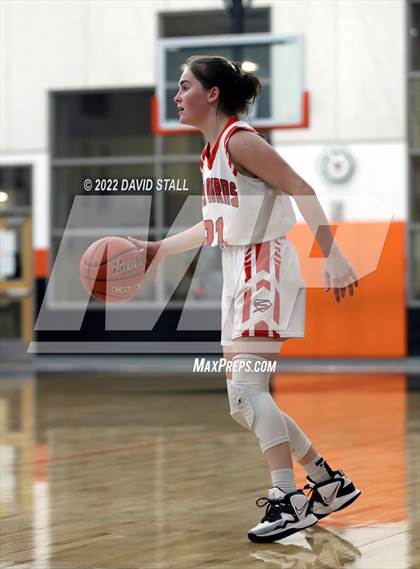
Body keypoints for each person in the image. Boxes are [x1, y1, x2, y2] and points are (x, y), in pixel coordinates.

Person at [128, 55, 361, 542]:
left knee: (249, 391)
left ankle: (287, 499)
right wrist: (158, 250)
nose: (176, 95)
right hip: (240, 269)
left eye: (185, 85)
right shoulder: (209, 152)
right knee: (241, 401)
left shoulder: (240, 140)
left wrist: (333, 254)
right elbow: (212, 226)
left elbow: (300, 186)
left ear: (212, 94)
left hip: (266, 267)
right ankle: (326, 481)